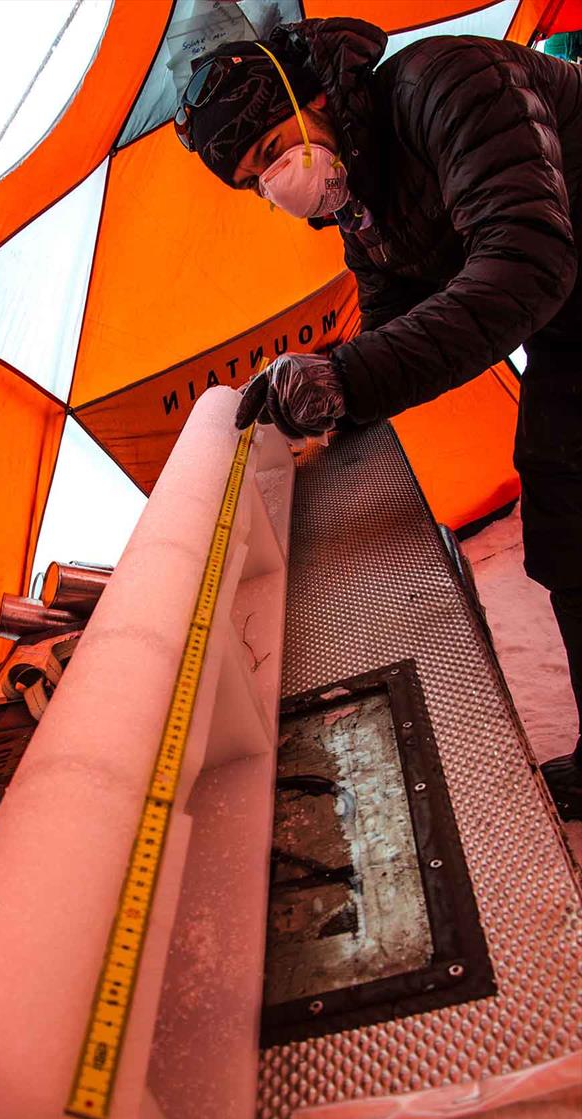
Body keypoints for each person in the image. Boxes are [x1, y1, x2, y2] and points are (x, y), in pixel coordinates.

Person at [174, 17, 582, 820]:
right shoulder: (361, 197)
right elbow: (393, 312)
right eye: (257, 179)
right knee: (564, 505)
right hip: (571, 316)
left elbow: (527, 261)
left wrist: (347, 376)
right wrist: (318, 404)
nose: (276, 182)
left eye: (270, 149)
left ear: (313, 94)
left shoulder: (449, 84)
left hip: (559, 284)